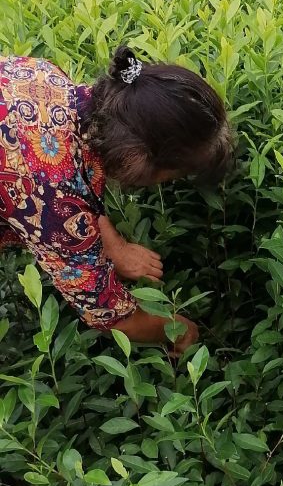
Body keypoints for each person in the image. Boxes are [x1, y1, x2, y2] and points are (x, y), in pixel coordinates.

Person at [0, 46, 233, 352]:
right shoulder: (57, 198)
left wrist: (110, 242)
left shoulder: (46, 77)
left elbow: (78, 174)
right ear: (138, 162)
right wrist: (179, 330)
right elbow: (107, 315)